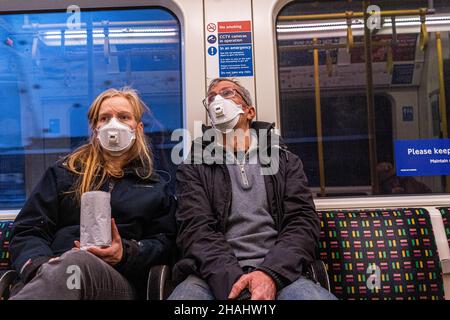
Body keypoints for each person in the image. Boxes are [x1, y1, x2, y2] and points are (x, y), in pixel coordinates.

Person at [169, 78, 336, 300]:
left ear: (249, 111)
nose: (217, 100)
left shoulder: (285, 161)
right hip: (209, 275)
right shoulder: (193, 167)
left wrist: (269, 275)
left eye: (228, 93)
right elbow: (196, 231)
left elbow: (302, 222)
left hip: (280, 271)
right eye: (211, 98)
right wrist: (235, 285)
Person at [9, 88, 176, 300]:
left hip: (116, 281)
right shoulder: (64, 174)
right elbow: (27, 230)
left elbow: (164, 245)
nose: (113, 124)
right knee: (70, 267)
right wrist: (41, 266)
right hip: (51, 272)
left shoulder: (154, 187)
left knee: (76, 263)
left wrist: (125, 253)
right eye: (105, 118)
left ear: (139, 128)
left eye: (124, 117)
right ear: (95, 129)